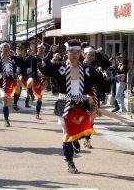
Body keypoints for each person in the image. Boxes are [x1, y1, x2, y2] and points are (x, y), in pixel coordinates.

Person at [40, 39, 98, 174]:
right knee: (67, 132)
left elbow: (100, 82)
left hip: (81, 105)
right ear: (66, 52)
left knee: (81, 130)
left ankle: (75, 140)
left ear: (81, 53)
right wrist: (51, 52)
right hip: (64, 105)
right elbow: (43, 67)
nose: (74, 54)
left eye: (77, 51)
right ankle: (70, 162)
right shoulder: (60, 68)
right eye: (71, 51)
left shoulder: (87, 69)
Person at [0, 42, 23, 127]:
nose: (6, 49)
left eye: (7, 47)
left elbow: (19, 66)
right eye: (4, 47)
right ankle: (6, 119)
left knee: (18, 89)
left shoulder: (13, 58)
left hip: (11, 79)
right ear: (1, 49)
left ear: (9, 49)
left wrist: (17, 73)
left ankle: (15, 103)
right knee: (5, 101)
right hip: (2, 81)